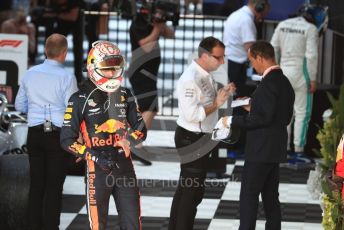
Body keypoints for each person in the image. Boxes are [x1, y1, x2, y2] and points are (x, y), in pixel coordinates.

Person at [60, 40, 147, 229]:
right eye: (107, 69)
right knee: (99, 225)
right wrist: (92, 155)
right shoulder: (79, 99)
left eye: (116, 69)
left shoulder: (125, 94)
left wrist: (128, 139)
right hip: (96, 170)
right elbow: (66, 139)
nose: (112, 73)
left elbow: (142, 129)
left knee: (133, 224)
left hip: (124, 167)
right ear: (93, 67)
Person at [219, 40, 294, 230]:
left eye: (252, 60)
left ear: (260, 57)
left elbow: (262, 119)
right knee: (270, 198)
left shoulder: (269, 83)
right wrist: (252, 107)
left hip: (260, 149)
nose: (252, 64)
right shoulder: (284, 82)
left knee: (249, 196)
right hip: (274, 149)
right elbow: (281, 117)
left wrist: (232, 121)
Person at [168, 36, 235, 230]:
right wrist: (217, 103)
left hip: (201, 137)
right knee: (192, 193)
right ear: (205, 56)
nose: (222, 61)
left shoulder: (206, 73)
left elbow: (209, 100)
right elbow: (192, 115)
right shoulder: (190, 79)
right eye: (218, 57)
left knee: (188, 190)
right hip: (191, 138)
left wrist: (224, 93)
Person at [14, 33, 78, 230]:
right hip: (57, 135)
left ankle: (33, 226)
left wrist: (37, 109)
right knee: (54, 186)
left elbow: (19, 105)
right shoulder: (67, 76)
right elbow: (72, 109)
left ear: (45, 50)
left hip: (34, 133)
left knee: (37, 184)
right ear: (64, 53)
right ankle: (51, 227)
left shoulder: (30, 73)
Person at [270, 5, 318, 166]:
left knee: (283, 112)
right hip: (301, 73)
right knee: (302, 113)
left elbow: (273, 48)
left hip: (282, 71)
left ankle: (282, 150)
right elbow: (311, 55)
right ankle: (298, 151)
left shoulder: (282, 24)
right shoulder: (310, 28)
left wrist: (273, 69)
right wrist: (312, 78)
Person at [128, 1, 175, 130]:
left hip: (148, 72)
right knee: (150, 108)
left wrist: (161, 23)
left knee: (147, 108)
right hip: (140, 71)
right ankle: (136, 141)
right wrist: (157, 29)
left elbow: (171, 35)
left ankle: (136, 143)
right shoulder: (139, 20)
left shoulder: (153, 22)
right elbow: (145, 46)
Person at [223, 0, 270, 97]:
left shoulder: (237, 15)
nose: (261, 18)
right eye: (262, 14)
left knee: (231, 96)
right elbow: (250, 47)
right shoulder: (246, 20)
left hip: (230, 61)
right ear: (258, 7)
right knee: (237, 98)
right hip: (236, 64)